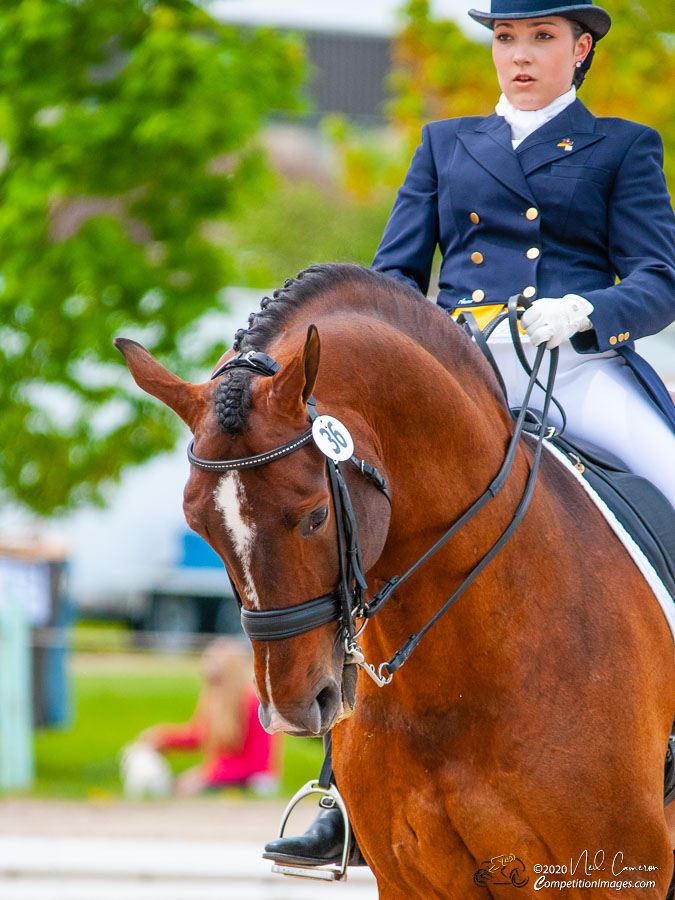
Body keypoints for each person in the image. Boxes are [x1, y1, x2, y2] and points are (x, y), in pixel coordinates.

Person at [263, 0, 675, 868]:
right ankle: (342, 788)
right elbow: (391, 282)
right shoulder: (445, 145)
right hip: (460, 374)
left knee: (669, 480)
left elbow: (656, 280)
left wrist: (587, 312)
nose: (518, 57)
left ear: (580, 48)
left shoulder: (623, 146)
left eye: (539, 39)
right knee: (359, 545)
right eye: (505, 39)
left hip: (578, 366)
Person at [130, 638, 279, 796]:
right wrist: (163, 739)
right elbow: (200, 735)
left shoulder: (254, 704)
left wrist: (209, 777)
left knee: (189, 788)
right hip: (226, 774)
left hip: (254, 781)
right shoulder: (215, 701)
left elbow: (258, 764)